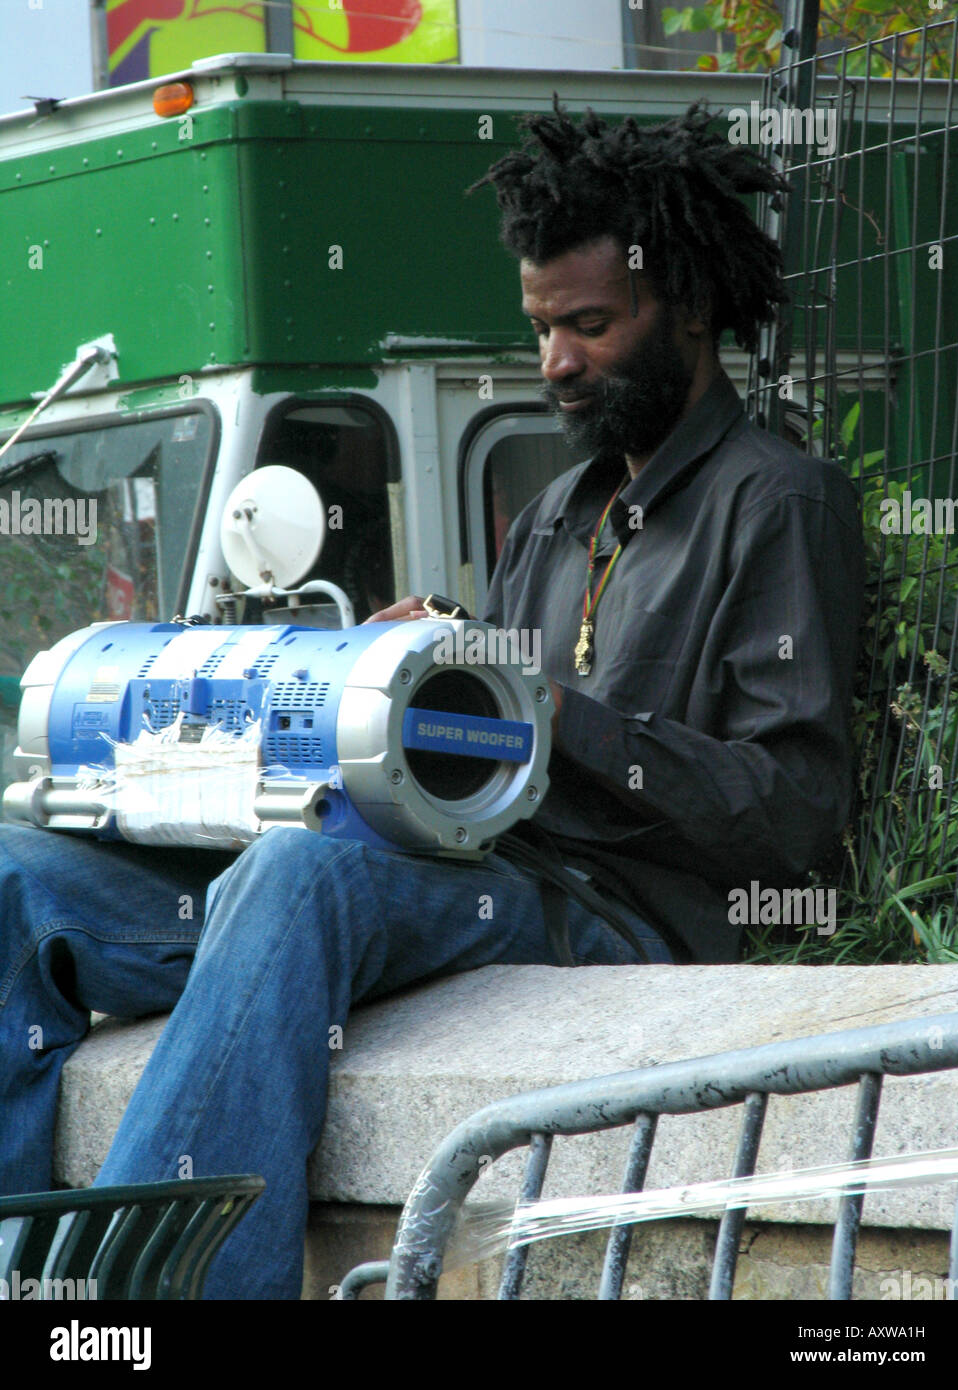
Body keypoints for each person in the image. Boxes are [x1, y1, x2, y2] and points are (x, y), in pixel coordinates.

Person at [0, 101, 863, 1298]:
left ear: (694, 309)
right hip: (477, 871)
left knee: (298, 879)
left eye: (590, 326)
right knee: (17, 872)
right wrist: (401, 685)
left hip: (611, 919)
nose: (554, 361)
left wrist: (549, 716)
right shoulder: (561, 513)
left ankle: (141, 1308)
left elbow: (795, 815)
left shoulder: (780, 501)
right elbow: (487, 753)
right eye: (541, 327)